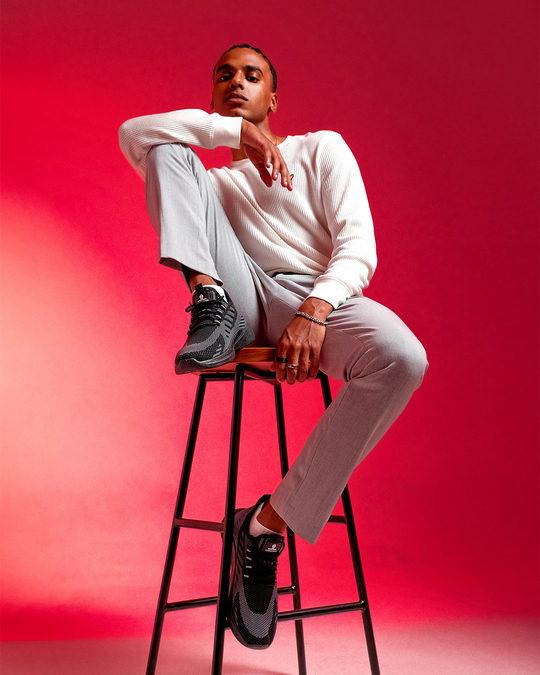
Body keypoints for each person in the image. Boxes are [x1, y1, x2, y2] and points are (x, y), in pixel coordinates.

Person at [119, 43, 428, 651]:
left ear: (273, 97)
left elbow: (359, 247)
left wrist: (315, 310)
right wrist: (232, 134)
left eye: (251, 75)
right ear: (213, 96)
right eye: (224, 75)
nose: (236, 81)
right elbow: (134, 134)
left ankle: (264, 527)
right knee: (166, 150)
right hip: (241, 297)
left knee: (402, 358)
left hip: (317, 297)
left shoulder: (320, 148)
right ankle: (208, 299)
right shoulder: (207, 183)